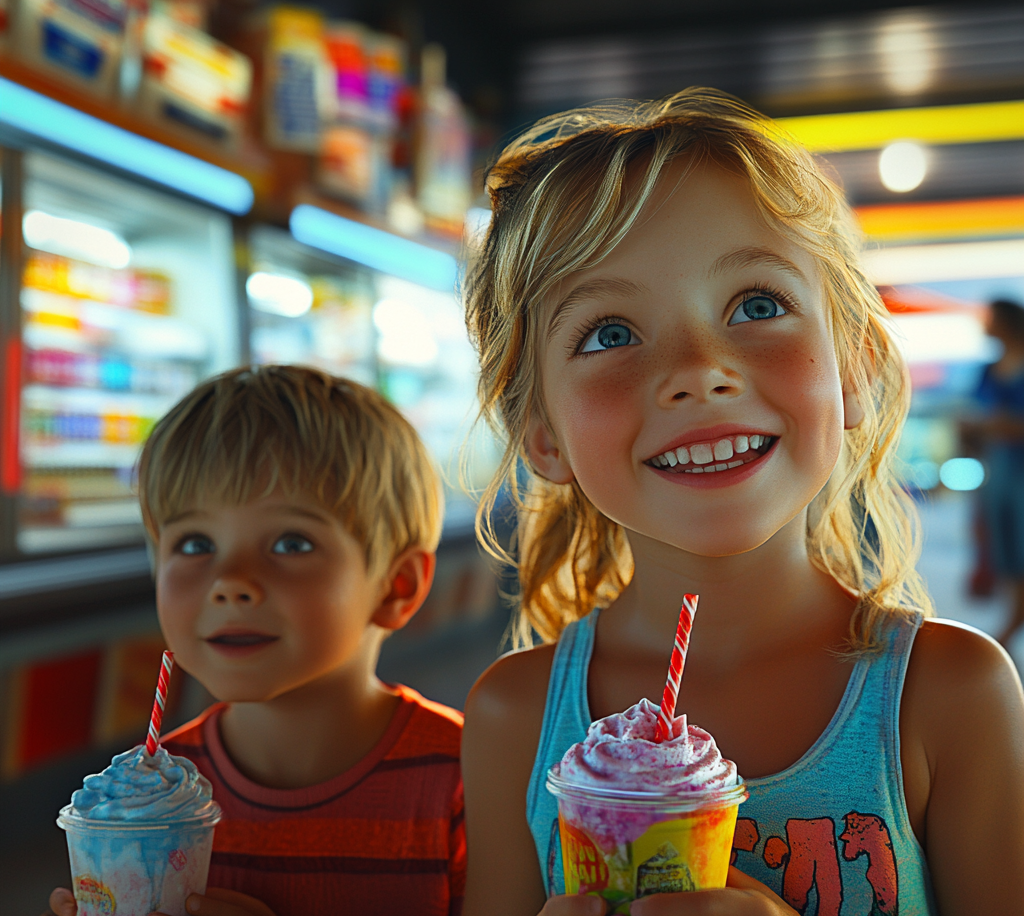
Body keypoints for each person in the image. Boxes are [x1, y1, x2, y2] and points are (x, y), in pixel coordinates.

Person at [459, 89, 1024, 916]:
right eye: (611, 332)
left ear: (855, 369)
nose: (698, 368)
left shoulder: (950, 695)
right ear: (541, 432)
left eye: (758, 306)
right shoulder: (516, 717)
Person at [49, 366, 465, 916]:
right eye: (195, 543)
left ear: (397, 585)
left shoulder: (471, 778)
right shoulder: (143, 803)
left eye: (291, 543)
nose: (230, 583)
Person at [963, 298, 1024, 646]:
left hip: (1015, 467)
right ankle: (1010, 624)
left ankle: (1008, 629)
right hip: (998, 467)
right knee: (1005, 549)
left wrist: (1003, 426)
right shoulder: (989, 369)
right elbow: (978, 415)